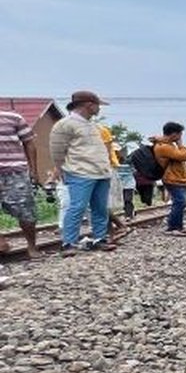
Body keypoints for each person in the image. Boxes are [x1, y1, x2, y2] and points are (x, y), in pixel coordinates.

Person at [49, 91, 115, 256]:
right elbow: (57, 151)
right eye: (98, 105)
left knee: (100, 208)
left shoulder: (91, 125)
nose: (99, 108)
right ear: (89, 105)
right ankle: (68, 242)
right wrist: (60, 169)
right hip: (80, 172)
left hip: (100, 173)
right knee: (77, 207)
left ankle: (100, 238)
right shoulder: (64, 125)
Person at [0, 107, 41, 258]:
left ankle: (32, 246)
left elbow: (29, 143)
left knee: (26, 212)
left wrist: (33, 170)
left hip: (15, 172)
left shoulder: (13, 118)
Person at [153, 122, 186, 236]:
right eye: (180, 134)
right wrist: (181, 145)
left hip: (175, 178)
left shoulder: (167, 145)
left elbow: (179, 156)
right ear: (174, 134)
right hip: (171, 178)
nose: (181, 137)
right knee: (180, 202)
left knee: (180, 202)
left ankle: (178, 226)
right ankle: (172, 227)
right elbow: (184, 156)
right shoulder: (164, 146)